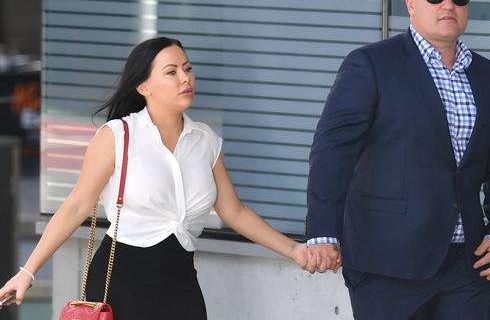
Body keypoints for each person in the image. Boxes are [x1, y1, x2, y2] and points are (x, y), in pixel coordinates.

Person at [0, 37, 312, 319]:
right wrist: (28, 270)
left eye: (187, 69)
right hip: (119, 286)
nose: (185, 78)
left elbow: (235, 211)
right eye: (171, 71)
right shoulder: (117, 136)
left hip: (181, 286)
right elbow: (76, 207)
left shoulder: (205, 141)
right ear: (143, 86)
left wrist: (294, 250)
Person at [305, 0, 490, 320]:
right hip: (387, 262)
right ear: (410, 3)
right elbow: (332, 153)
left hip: (466, 262)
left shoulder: (487, 74)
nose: (447, 4)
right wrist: (322, 231)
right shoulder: (371, 65)